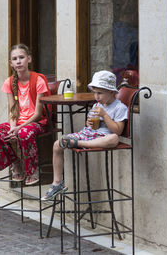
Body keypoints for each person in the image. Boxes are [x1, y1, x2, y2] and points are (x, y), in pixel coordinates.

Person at [41, 70, 128, 201]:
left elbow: (118, 131)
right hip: (88, 134)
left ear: (111, 92)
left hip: (102, 138)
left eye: (100, 93)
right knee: (57, 144)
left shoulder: (119, 108)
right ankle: (57, 183)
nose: (96, 96)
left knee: (114, 139)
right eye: (95, 92)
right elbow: (90, 125)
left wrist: (104, 115)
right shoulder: (98, 104)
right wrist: (89, 123)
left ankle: (80, 144)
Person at [0, 44, 50, 186]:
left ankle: (32, 169)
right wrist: (12, 128)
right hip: (17, 124)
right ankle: (15, 163)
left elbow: (38, 113)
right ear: (11, 63)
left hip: (36, 123)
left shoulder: (38, 80)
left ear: (29, 59)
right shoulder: (9, 82)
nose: (18, 61)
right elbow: (12, 110)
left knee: (23, 133)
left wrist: (19, 128)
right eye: (14, 59)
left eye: (21, 57)